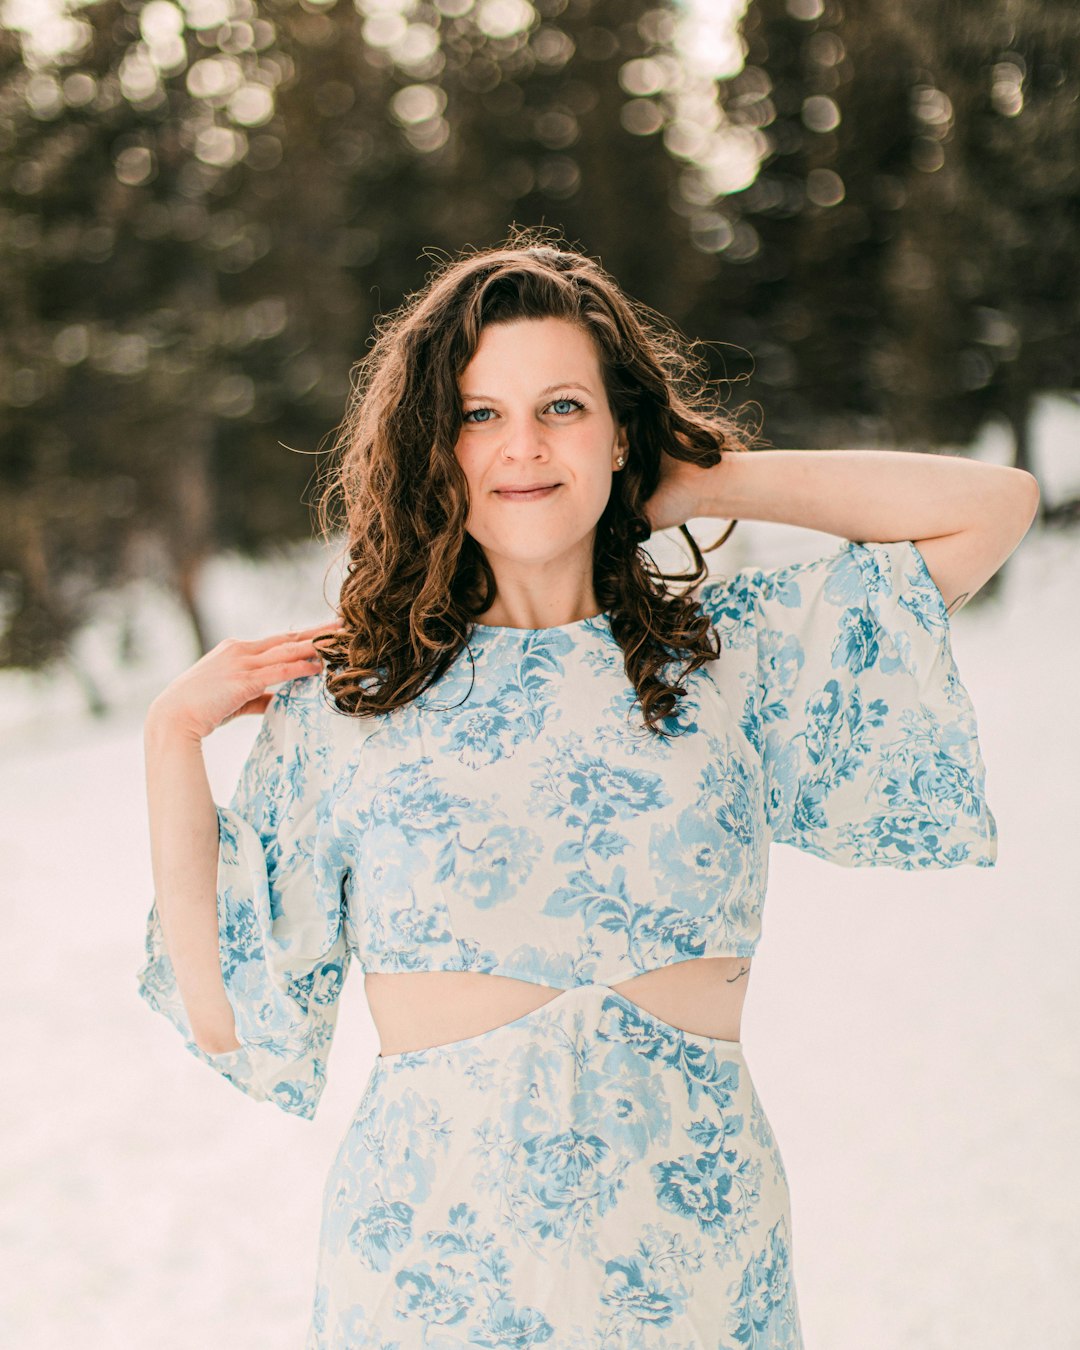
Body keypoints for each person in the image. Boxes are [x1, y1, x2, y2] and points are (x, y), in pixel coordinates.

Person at [136, 229, 1037, 1349]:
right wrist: (172, 737)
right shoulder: (352, 709)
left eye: (562, 407)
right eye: (480, 414)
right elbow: (226, 1008)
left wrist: (703, 479)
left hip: (695, 1268)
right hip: (433, 1278)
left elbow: (993, 507)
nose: (523, 446)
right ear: (436, 446)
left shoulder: (726, 658)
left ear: (621, 431)